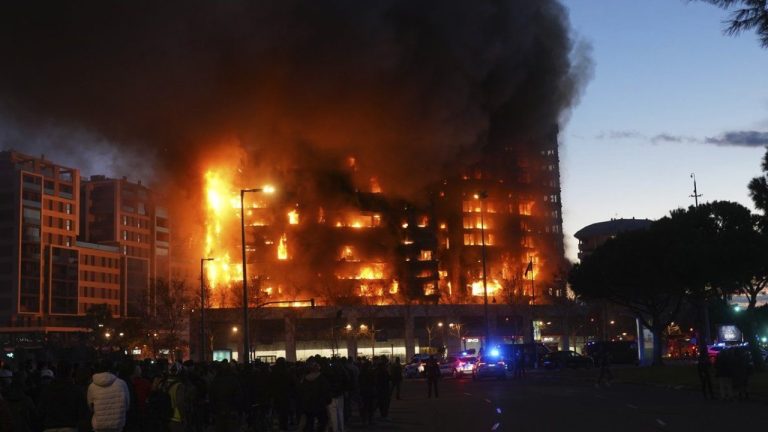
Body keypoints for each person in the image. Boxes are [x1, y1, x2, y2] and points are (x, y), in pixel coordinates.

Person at [37, 360, 90, 432]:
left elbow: (40, 412)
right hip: (70, 427)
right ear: (71, 372)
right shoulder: (76, 390)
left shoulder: (47, 390)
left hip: (50, 428)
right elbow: (83, 414)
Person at [87, 359, 131, 432]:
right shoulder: (121, 384)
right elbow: (127, 405)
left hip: (99, 425)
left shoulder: (92, 386)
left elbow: (90, 406)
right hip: (117, 425)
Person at [298, 359, 331, 431]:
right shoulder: (322, 379)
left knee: (309, 423)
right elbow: (326, 392)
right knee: (322, 423)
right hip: (320, 405)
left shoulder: (304, 379)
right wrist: (327, 402)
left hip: (308, 406)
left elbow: (301, 392)